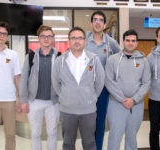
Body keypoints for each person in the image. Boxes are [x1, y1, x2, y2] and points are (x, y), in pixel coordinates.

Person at [52, 27, 105, 150]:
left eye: (80, 38)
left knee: (89, 143)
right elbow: (55, 83)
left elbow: (100, 82)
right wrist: (65, 97)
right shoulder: (59, 61)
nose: (77, 41)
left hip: (88, 111)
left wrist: (92, 97)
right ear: (69, 41)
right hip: (67, 111)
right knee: (68, 144)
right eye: (73, 38)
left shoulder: (94, 59)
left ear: (85, 41)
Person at [105, 29, 151, 150]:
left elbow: (146, 83)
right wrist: (123, 99)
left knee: (132, 137)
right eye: (128, 40)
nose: (130, 43)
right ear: (123, 41)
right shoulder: (112, 60)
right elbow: (109, 81)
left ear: (136, 43)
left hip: (136, 106)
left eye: (133, 41)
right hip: (116, 104)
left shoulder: (144, 61)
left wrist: (134, 100)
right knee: (115, 136)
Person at [85, 10, 121, 150]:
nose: (98, 22)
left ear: (105, 24)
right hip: (86, 89)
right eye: (95, 19)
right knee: (87, 124)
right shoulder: (84, 40)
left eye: (101, 20)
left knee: (99, 124)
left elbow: (120, 59)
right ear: (91, 23)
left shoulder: (110, 42)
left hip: (103, 90)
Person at [19, 25, 60, 150]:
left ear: (53, 38)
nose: (46, 39)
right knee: (35, 133)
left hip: (53, 102)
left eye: (49, 36)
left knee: (52, 133)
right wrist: (23, 100)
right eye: (43, 36)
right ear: (39, 39)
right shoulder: (30, 57)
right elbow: (24, 79)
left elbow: (64, 80)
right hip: (34, 101)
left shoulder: (59, 57)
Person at [0, 21, 21, 150]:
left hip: (9, 100)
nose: (1, 36)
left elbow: (17, 77)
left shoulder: (13, 55)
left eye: (4, 34)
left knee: (10, 134)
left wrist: (21, 98)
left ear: (7, 37)